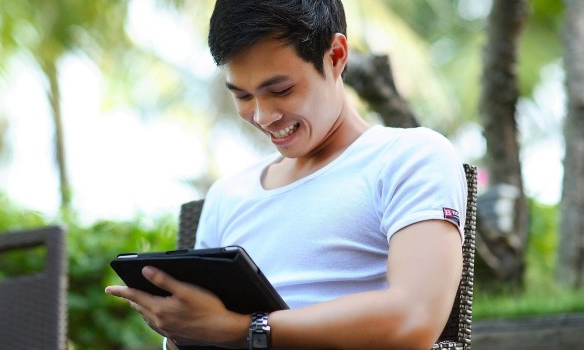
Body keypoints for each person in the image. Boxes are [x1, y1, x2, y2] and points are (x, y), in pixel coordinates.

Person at [105, 0, 467, 348]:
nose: (262, 116)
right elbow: (203, 331)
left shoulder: (409, 157)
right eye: (243, 96)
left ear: (336, 56)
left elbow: (414, 319)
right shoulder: (228, 194)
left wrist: (244, 331)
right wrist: (180, 327)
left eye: (280, 90)